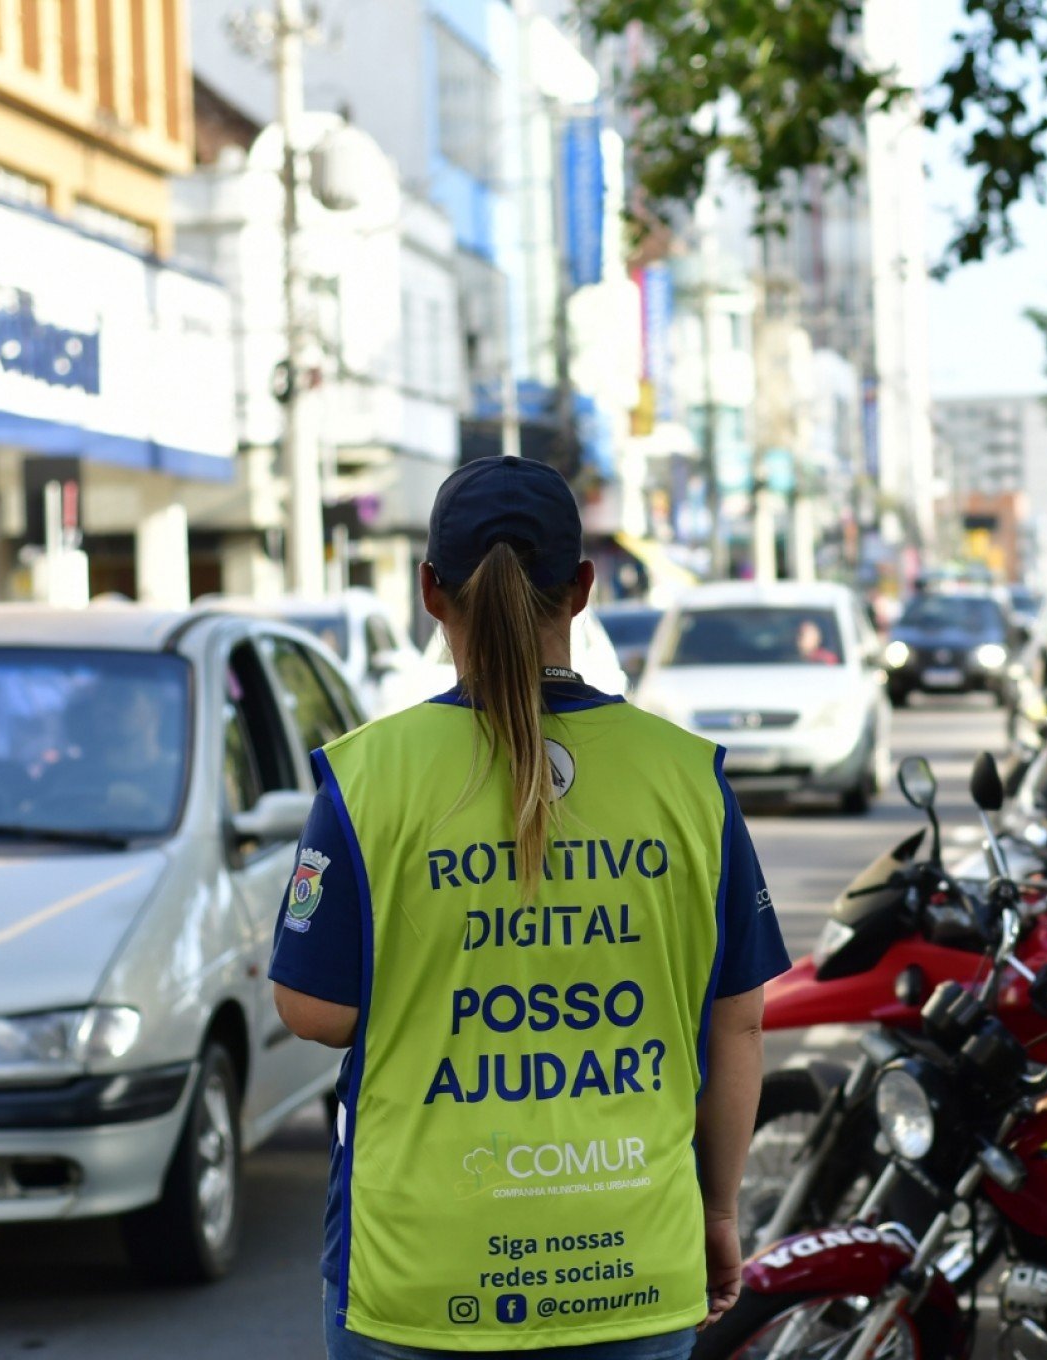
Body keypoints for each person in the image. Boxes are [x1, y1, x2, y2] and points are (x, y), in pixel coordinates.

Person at [270, 456, 790, 1360]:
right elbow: (737, 1023)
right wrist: (717, 1212)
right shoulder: (687, 778)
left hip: (420, 1270)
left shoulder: (366, 777)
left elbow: (316, 1011)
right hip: (633, 1255)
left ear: (431, 591)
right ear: (583, 588)